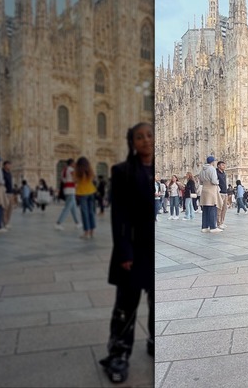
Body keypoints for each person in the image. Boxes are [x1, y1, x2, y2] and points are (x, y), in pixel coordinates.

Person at [99, 122, 155, 383]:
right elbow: (118, 215)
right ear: (132, 143)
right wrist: (124, 253)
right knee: (126, 306)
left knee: (156, 303)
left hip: (156, 250)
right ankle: (119, 355)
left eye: (150, 135)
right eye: (140, 137)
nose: (146, 140)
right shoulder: (121, 171)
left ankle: (156, 340)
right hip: (132, 250)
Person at [75, 157, 97, 239]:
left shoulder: (78, 171)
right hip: (91, 192)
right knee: (91, 212)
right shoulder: (90, 170)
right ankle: (92, 231)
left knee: (85, 213)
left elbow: (75, 180)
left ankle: (86, 232)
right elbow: (93, 178)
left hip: (83, 193)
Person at [56, 158, 81, 231]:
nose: (75, 164)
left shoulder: (63, 170)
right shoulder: (71, 170)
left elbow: (62, 180)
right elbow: (75, 180)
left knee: (73, 208)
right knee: (67, 208)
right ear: (71, 163)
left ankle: (78, 223)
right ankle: (58, 223)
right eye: (74, 163)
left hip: (66, 190)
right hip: (71, 190)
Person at [199, 156, 222, 233]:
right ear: (212, 162)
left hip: (204, 189)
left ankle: (204, 227)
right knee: (212, 207)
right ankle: (213, 227)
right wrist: (218, 182)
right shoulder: (212, 169)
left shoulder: (202, 170)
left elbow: (200, 181)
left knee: (205, 208)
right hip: (211, 190)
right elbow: (214, 181)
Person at [216, 161, 228, 229]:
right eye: (222, 165)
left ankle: (222, 222)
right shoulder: (216, 173)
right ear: (218, 166)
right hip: (220, 193)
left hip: (225, 192)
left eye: (224, 165)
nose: (224, 166)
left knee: (224, 208)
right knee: (219, 208)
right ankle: (218, 223)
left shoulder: (224, 173)